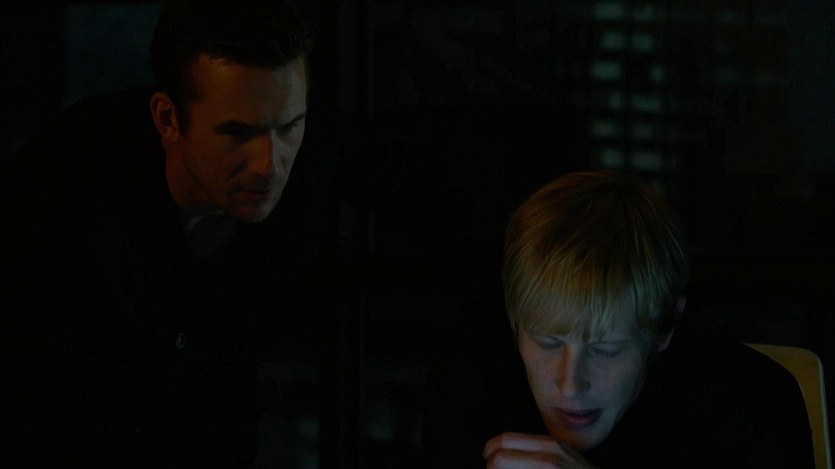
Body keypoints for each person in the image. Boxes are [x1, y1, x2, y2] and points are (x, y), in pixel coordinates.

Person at [3, 1, 339, 466]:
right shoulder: (59, 193)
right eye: (237, 133)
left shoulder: (306, 169)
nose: (269, 164)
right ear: (167, 120)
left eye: (288, 127)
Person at [421, 170, 814, 468]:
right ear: (515, 320)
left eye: (606, 350)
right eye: (547, 343)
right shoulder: (469, 387)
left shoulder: (750, 402)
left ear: (665, 327)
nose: (570, 385)